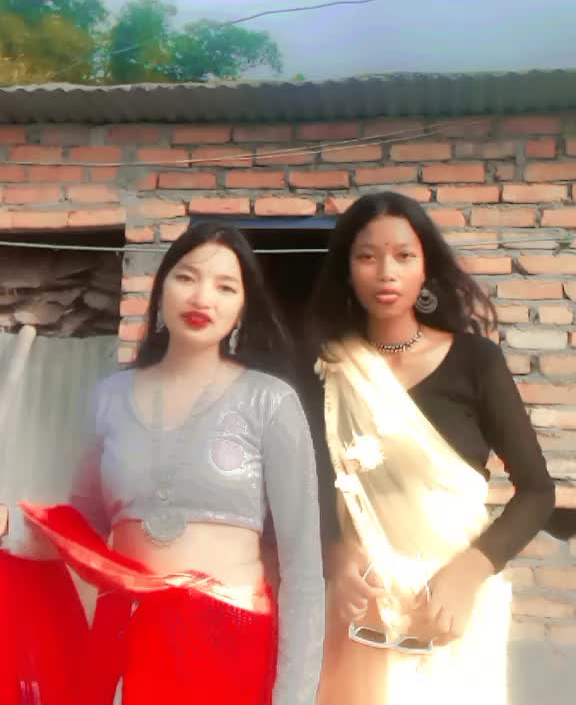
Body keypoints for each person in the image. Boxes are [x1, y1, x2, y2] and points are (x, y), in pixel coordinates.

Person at [1, 222, 325, 704]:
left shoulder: (270, 402)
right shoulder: (110, 398)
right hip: (122, 647)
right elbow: (82, 533)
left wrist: (294, 697)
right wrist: (14, 527)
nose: (202, 297)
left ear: (243, 308)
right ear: (162, 288)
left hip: (229, 647)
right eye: (186, 277)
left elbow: (303, 570)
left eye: (225, 286)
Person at [307, 191, 555, 705]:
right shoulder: (329, 370)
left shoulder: (475, 361)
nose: (386, 272)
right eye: (367, 256)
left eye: (403, 255)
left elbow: (537, 491)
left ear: (425, 269)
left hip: (453, 611)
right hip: (362, 609)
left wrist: (471, 570)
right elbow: (308, 488)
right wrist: (335, 555)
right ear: (348, 271)